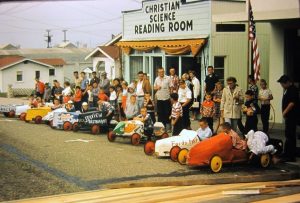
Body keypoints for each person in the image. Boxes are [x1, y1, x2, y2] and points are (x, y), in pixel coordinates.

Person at [277, 75, 299, 162]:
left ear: (288, 82)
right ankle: (286, 152)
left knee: (290, 135)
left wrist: (285, 112)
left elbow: (292, 103)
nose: (281, 85)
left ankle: (291, 156)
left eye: (282, 83)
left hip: (292, 116)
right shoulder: (287, 90)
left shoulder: (293, 89)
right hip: (288, 117)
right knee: (288, 134)